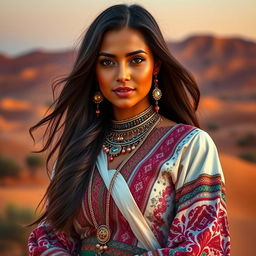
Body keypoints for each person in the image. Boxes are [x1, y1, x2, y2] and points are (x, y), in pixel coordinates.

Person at [27, 4, 230, 256]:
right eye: (107, 62)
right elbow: (50, 237)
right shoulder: (76, 150)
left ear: (155, 65)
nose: (122, 75)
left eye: (136, 60)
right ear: (94, 70)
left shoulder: (190, 146)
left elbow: (202, 245)